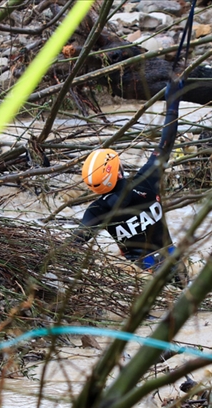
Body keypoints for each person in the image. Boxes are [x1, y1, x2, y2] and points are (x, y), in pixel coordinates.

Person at [71, 76, 184, 276]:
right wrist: (173, 102)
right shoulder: (146, 180)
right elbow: (166, 143)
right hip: (171, 259)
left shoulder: (97, 210)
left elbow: (72, 245)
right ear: (118, 171)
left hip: (139, 270)